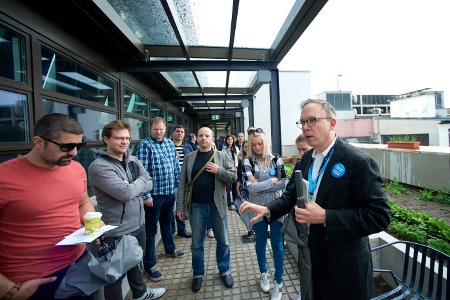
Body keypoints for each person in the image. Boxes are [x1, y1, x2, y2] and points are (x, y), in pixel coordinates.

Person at [240, 99, 391, 300]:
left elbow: (380, 216)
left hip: (344, 269)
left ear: (332, 123)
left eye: (312, 120)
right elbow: (291, 195)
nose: (305, 127)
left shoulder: (357, 161)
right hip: (311, 259)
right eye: (302, 122)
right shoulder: (308, 158)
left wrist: (327, 217)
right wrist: (267, 210)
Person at [0, 113, 101, 300]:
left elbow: (83, 201)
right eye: (66, 146)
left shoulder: (76, 169)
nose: (74, 153)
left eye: (79, 146)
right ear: (39, 142)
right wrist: (7, 288)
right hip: (32, 280)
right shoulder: (4, 178)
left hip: (80, 263)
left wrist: (94, 224)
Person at [88, 120, 165, 300]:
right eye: (119, 138)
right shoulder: (100, 167)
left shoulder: (132, 160)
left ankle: (140, 293)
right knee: (116, 275)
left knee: (136, 262)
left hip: (138, 224)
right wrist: (136, 185)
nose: (125, 142)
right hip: (117, 230)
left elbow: (149, 181)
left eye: (127, 138)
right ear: (106, 139)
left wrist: (133, 185)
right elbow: (124, 193)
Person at [176, 127, 237, 293]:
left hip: (218, 207)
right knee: (196, 244)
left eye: (207, 135)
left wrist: (219, 171)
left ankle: (225, 270)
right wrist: (180, 207)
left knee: (223, 241)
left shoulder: (223, 156)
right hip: (196, 207)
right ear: (197, 138)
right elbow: (182, 184)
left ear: (212, 138)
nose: (203, 138)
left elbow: (234, 177)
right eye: (201, 135)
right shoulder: (189, 158)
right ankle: (197, 274)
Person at [135, 117, 185, 282]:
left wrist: (179, 190)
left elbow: (175, 167)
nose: (158, 132)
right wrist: (146, 195)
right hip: (154, 196)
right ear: (151, 129)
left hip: (169, 192)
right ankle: (149, 264)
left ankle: (170, 249)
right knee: (150, 231)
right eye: (155, 129)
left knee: (168, 224)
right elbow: (141, 173)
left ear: (165, 129)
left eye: (161, 129)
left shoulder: (170, 144)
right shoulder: (145, 145)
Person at [243, 130, 287, 300]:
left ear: (265, 142)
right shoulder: (248, 160)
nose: (257, 147)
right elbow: (249, 186)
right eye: (253, 145)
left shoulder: (276, 158)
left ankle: (278, 282)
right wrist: (271, 181)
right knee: (260, 242)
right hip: (256, 208)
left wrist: (261, 183)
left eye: (260, 144)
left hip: (276, 207)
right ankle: (263, 273)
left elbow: (283, 182)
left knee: (277, 244)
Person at [172, 125, 193, 238]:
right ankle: (171, 230)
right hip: (171, 182)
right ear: (173, 133)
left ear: (184, 134)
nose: (179, 133)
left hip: (184, 180)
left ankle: (182, 229)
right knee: (171, 207)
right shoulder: (168, 146)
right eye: (177, 131)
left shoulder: (188, 147)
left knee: (183, 205)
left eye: (181, 132)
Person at [235, 140, 253, 237]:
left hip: (254, 189)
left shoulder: (254, 160)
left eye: (248, 146)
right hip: (244, 188)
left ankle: (255, 229)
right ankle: (250, 229)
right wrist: (238, 190)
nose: (246, 148)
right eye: (245, 147)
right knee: (245, 210)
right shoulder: (240, 161)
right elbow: (238, 176)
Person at [222, 134, 240, 210]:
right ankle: (229, 203)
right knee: (228, 187)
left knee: (235, 187)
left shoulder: (236, 148)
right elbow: (223, 159)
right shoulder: (224, 149)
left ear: (233, 140)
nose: (230, 141)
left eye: (231, 139)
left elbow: (238, 158)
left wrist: (235, 166)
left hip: (235, 170)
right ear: (226, 140)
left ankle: (236, 202)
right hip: (227, 170)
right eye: (228, 139)